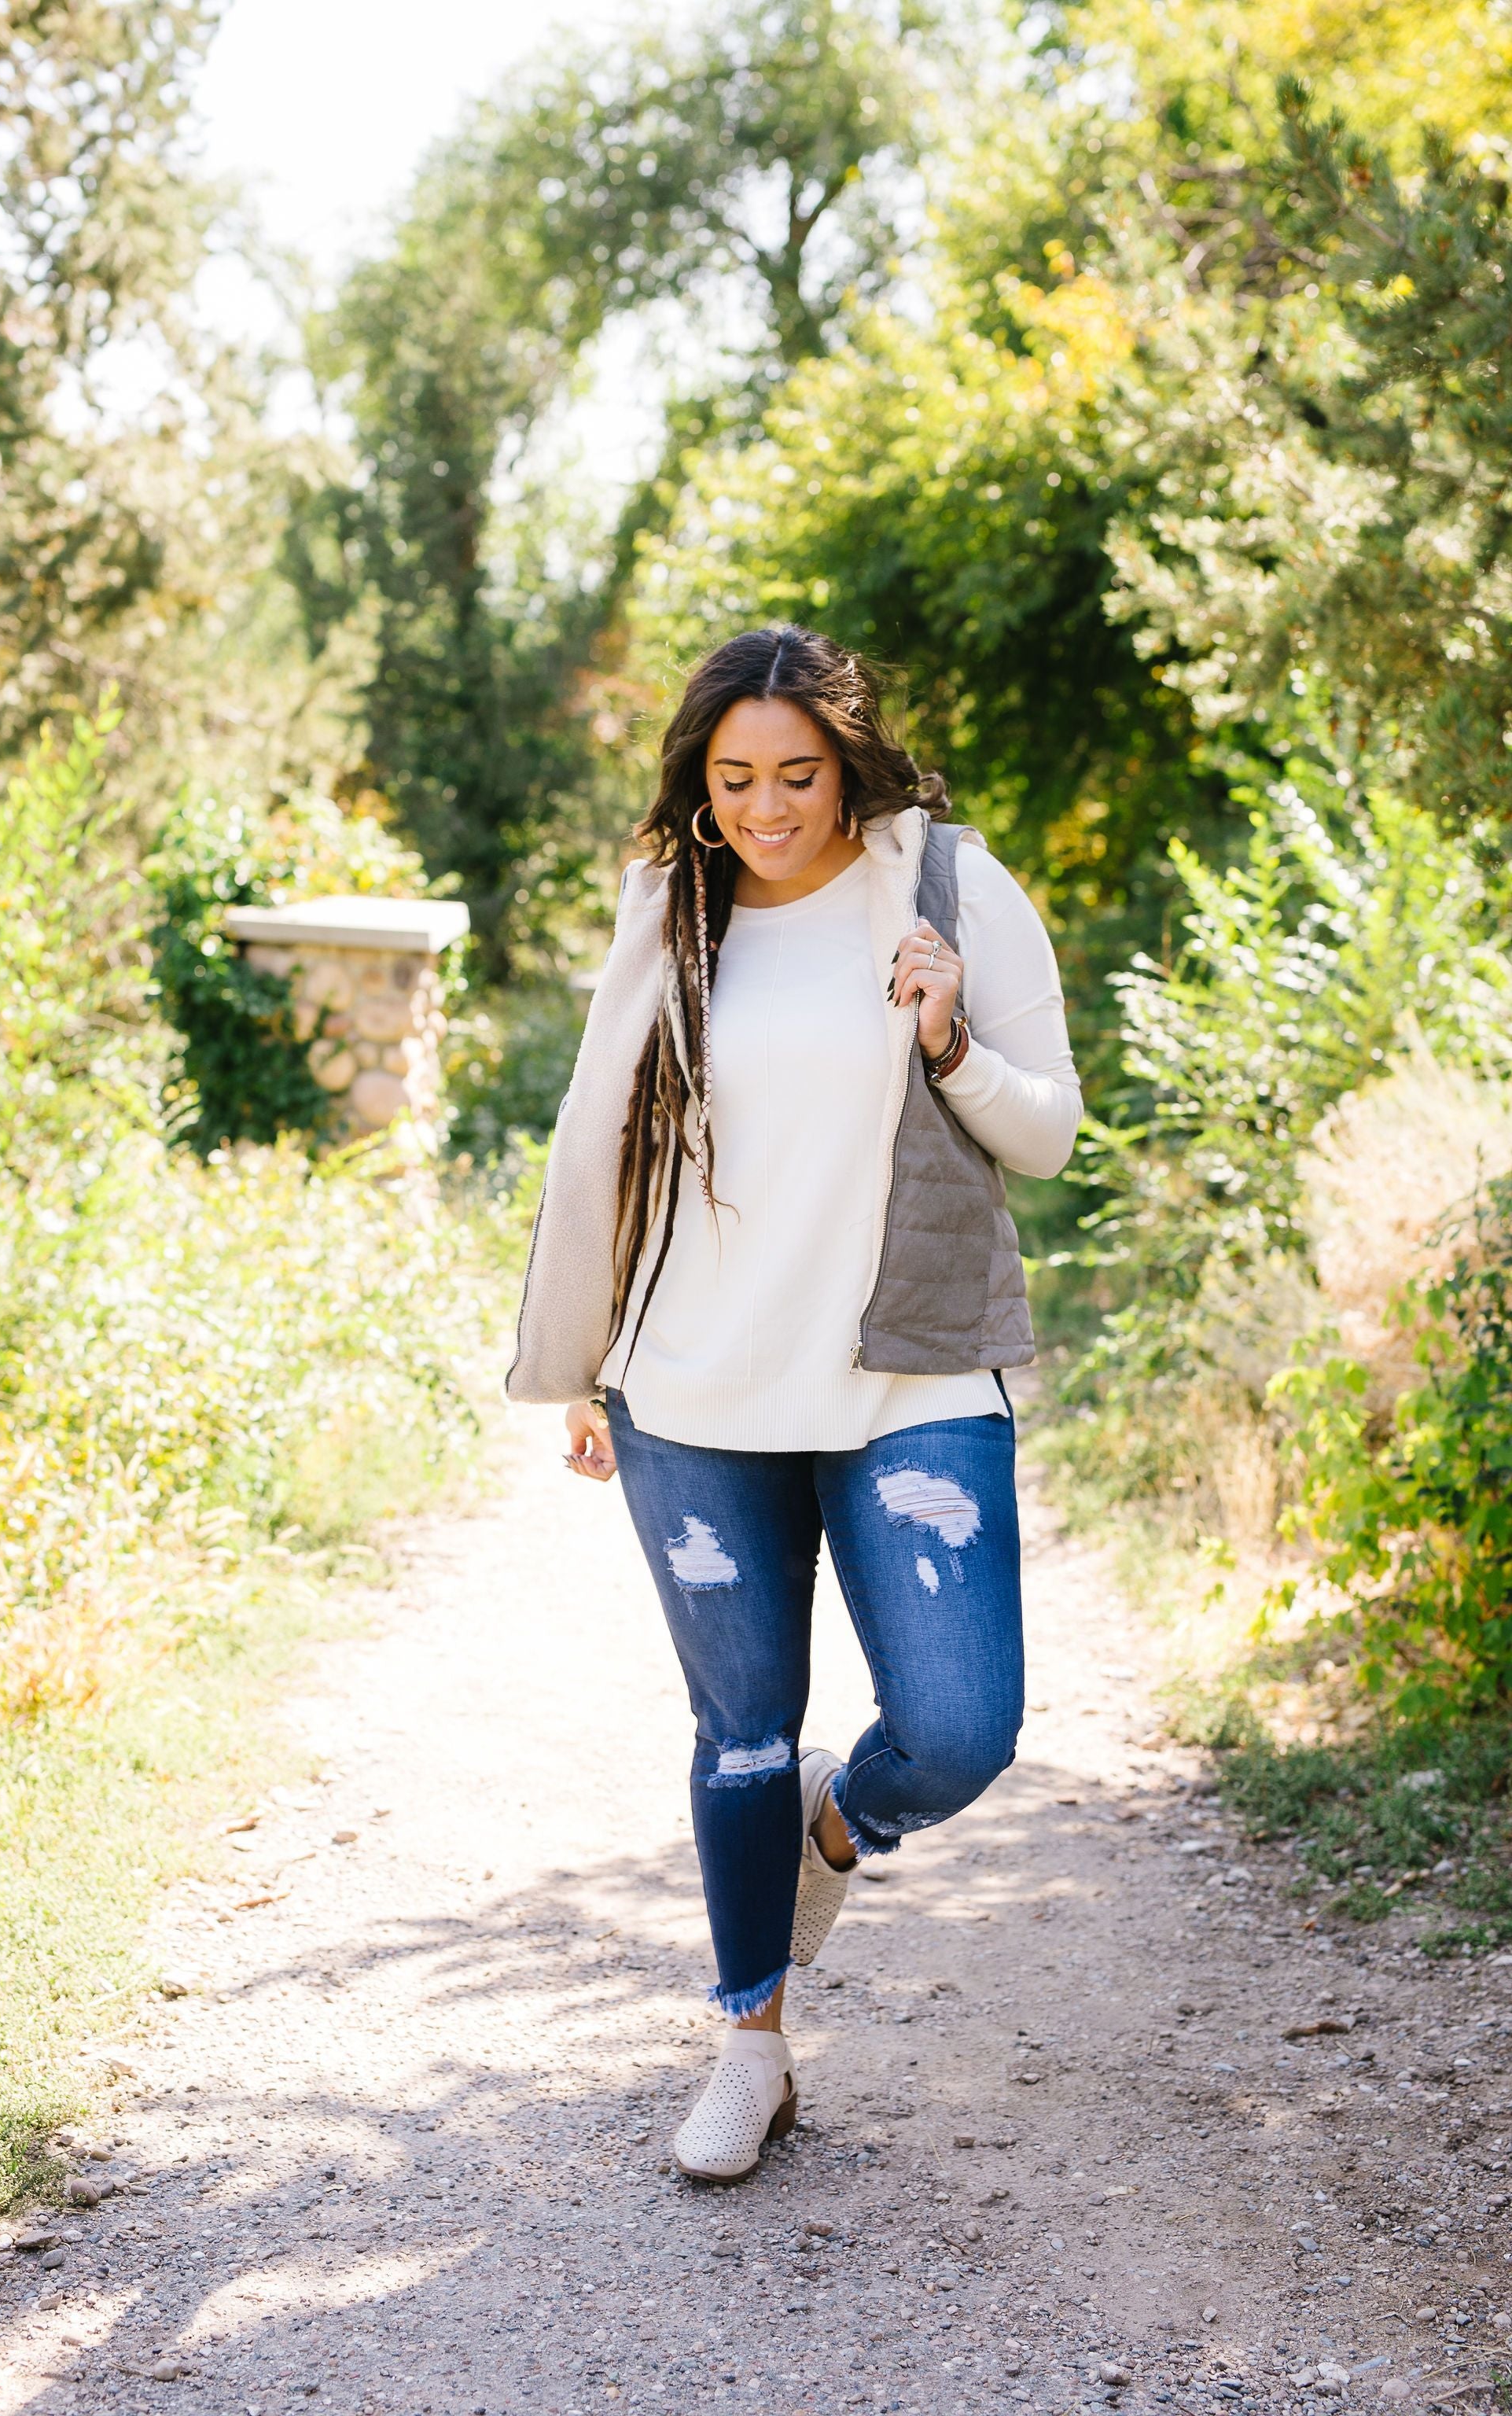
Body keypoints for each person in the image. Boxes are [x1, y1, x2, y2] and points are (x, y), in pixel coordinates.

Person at [508, 624, 1080, 2183]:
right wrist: (586, 1359)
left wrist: (949, 1037)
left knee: (961, 1728)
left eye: (797, 775)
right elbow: (602, 1143)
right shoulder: (668, 907)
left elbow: (1047, 1136)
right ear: (701, 780)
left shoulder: (945, 886)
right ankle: (747, 2045)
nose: (766, 808)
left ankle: (837, 1832)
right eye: (733, 776)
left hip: (908, 1382)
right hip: (687, 1389)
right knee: (739, 1733)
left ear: (851, 764)